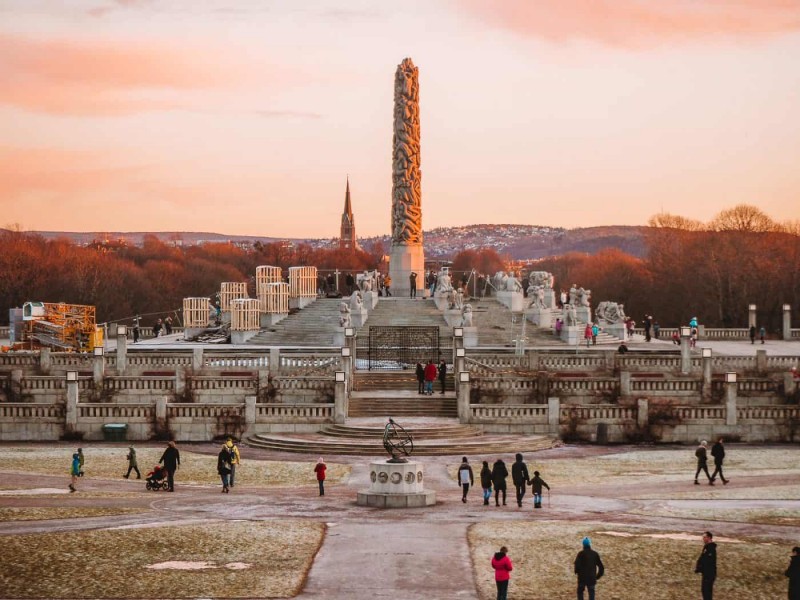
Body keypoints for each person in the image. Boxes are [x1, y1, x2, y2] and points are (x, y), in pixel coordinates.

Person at [695, 531, 717, 600]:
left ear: (709, 538)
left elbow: (708, 561)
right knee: (705, 590)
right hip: (706, 573)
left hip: (709, 573)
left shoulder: (711, 548)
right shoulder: (707, 547)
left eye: (704, 537)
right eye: (703, 537)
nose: (703, 539)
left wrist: (701, 567)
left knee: (707, 591)